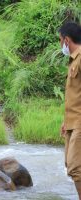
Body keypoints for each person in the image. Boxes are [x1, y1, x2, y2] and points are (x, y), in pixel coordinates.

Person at [59, 22, 81, 199]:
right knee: (70, 165)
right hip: (72, 121)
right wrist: (66, 121)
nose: (60, 45)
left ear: (67, 40)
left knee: (76, 167)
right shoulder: (73, 60)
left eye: (60, 41)